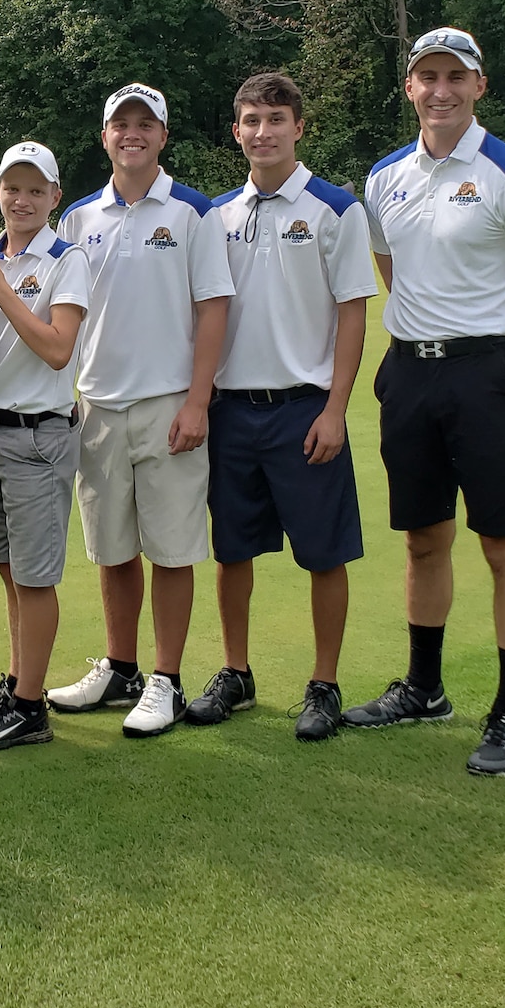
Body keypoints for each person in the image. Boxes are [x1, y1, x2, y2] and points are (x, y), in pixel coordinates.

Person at [348, 26, 505, 776]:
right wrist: (433, 352)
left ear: (479, 85)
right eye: (427, 77)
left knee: (503, 543)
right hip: (412, 372)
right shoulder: (385, 177)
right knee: (422, 538)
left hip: (490, 372)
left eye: (456, 76)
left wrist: (503, 365)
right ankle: (424, 688)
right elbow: (395, 272)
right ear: (409, 87)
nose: (440, 90)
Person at [193, 74, 376, 742]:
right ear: (236, 131)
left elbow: (352, 315)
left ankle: (324, 684)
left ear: (300, 126)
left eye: (275, 118)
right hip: (231, 410)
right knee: (231, 549)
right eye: (250, 120)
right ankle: (236, 674)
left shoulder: (335, 208)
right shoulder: (216, 215)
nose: (263, 131)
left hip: (306, 409)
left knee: (325, 554)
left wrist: (336, 408)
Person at [46, 84, 233, 738]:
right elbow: (58, 314)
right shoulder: (76, 218)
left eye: (144, 124)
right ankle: (121, 667)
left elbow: (213, 307)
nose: (132, 134)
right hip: (95, 403)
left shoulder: (191, 212)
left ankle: (167, 680)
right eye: (120, 124)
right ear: (105, 137)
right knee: (113, 548)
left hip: (167, 405)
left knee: (171, 548)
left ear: (162, 134)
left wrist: (198, 401)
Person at [0, 143, 91, 750]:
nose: (23, 199)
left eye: (37, 190)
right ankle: (17, 680)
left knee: (33, 578)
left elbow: (58, 347)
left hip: (40, 436)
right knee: (9, 571)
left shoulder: (67, 258)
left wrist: (1, 289)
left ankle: (30, 710)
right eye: (14, 188)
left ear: (55, 197)